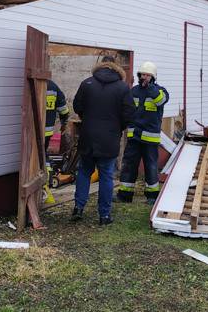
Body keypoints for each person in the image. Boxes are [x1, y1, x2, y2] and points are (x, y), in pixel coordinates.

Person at [71, 56, 134, 225]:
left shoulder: (87, 83)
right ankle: (104, 215)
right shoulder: (123, 88)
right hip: (110, 138)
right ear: (116, 67)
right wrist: (117, 127)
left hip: (88, 136)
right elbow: (129, 114)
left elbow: (77, 106)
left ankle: (78, 207)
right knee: (106, 176)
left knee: (84, 172)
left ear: (100, 66)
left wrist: (88, 119)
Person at [117, 61, 170, 205]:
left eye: (148, 75)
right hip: (134, 136)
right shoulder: (133, 91)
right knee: (128, 165)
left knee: (151, 167)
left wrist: (150, 88)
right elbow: (127, 109)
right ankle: (125, 195)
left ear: (153, 77)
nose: (144, 77)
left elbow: (160, 101)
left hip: (150, 140)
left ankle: (152, 197)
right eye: (142, 74)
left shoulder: (160, 91)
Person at [45, 79, 70, 152]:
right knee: (42, 153)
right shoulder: (52, 86)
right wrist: (64, 122)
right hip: (46, 130)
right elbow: (63, 110)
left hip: (29, 130)